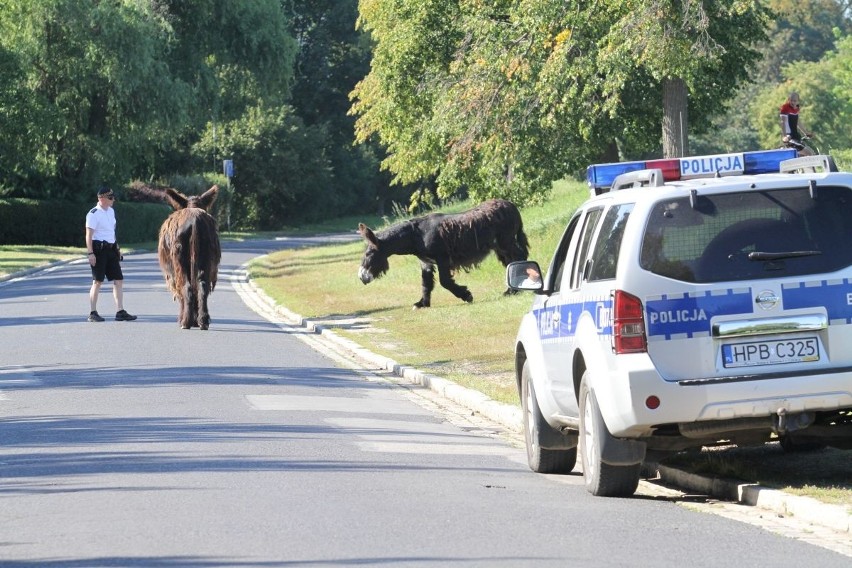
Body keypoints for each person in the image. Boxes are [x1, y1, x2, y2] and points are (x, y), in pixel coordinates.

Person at [85, 186, 137, 322]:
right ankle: (93, 312)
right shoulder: (93, 214)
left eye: (113, 197)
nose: (113, 200)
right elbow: (88, 235)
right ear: (101, 198)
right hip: (98, 250)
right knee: (97, 281)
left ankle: (120, 311)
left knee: (118, 280)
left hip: (111, 249)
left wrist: (117, 248)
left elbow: (111, 232)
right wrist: (90, 253)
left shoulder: (111, 212)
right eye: (110, 198)